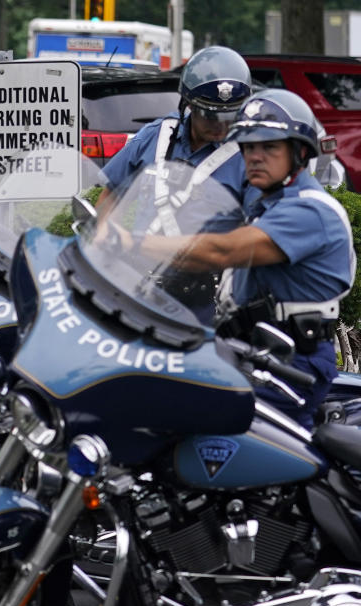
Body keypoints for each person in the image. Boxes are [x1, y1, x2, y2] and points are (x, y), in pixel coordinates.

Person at [114, 89, 355, 428]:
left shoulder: (308, 211)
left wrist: (130, 243)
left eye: (269, 147)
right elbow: (200, 257)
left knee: (198, 442)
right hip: (253, 352)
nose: (255, 157)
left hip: (290, 363)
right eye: (248, 147)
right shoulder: (269, 206)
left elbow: (221, 251)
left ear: (300, 153)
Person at [98, 46, 253, 211]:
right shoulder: (154, 137)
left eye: (230, 116)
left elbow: (260, 228)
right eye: (210, 117)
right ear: (188, 105)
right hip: (143, 237)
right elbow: (110, 195)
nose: (221, 125)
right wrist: (102, 232)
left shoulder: (249, 155)